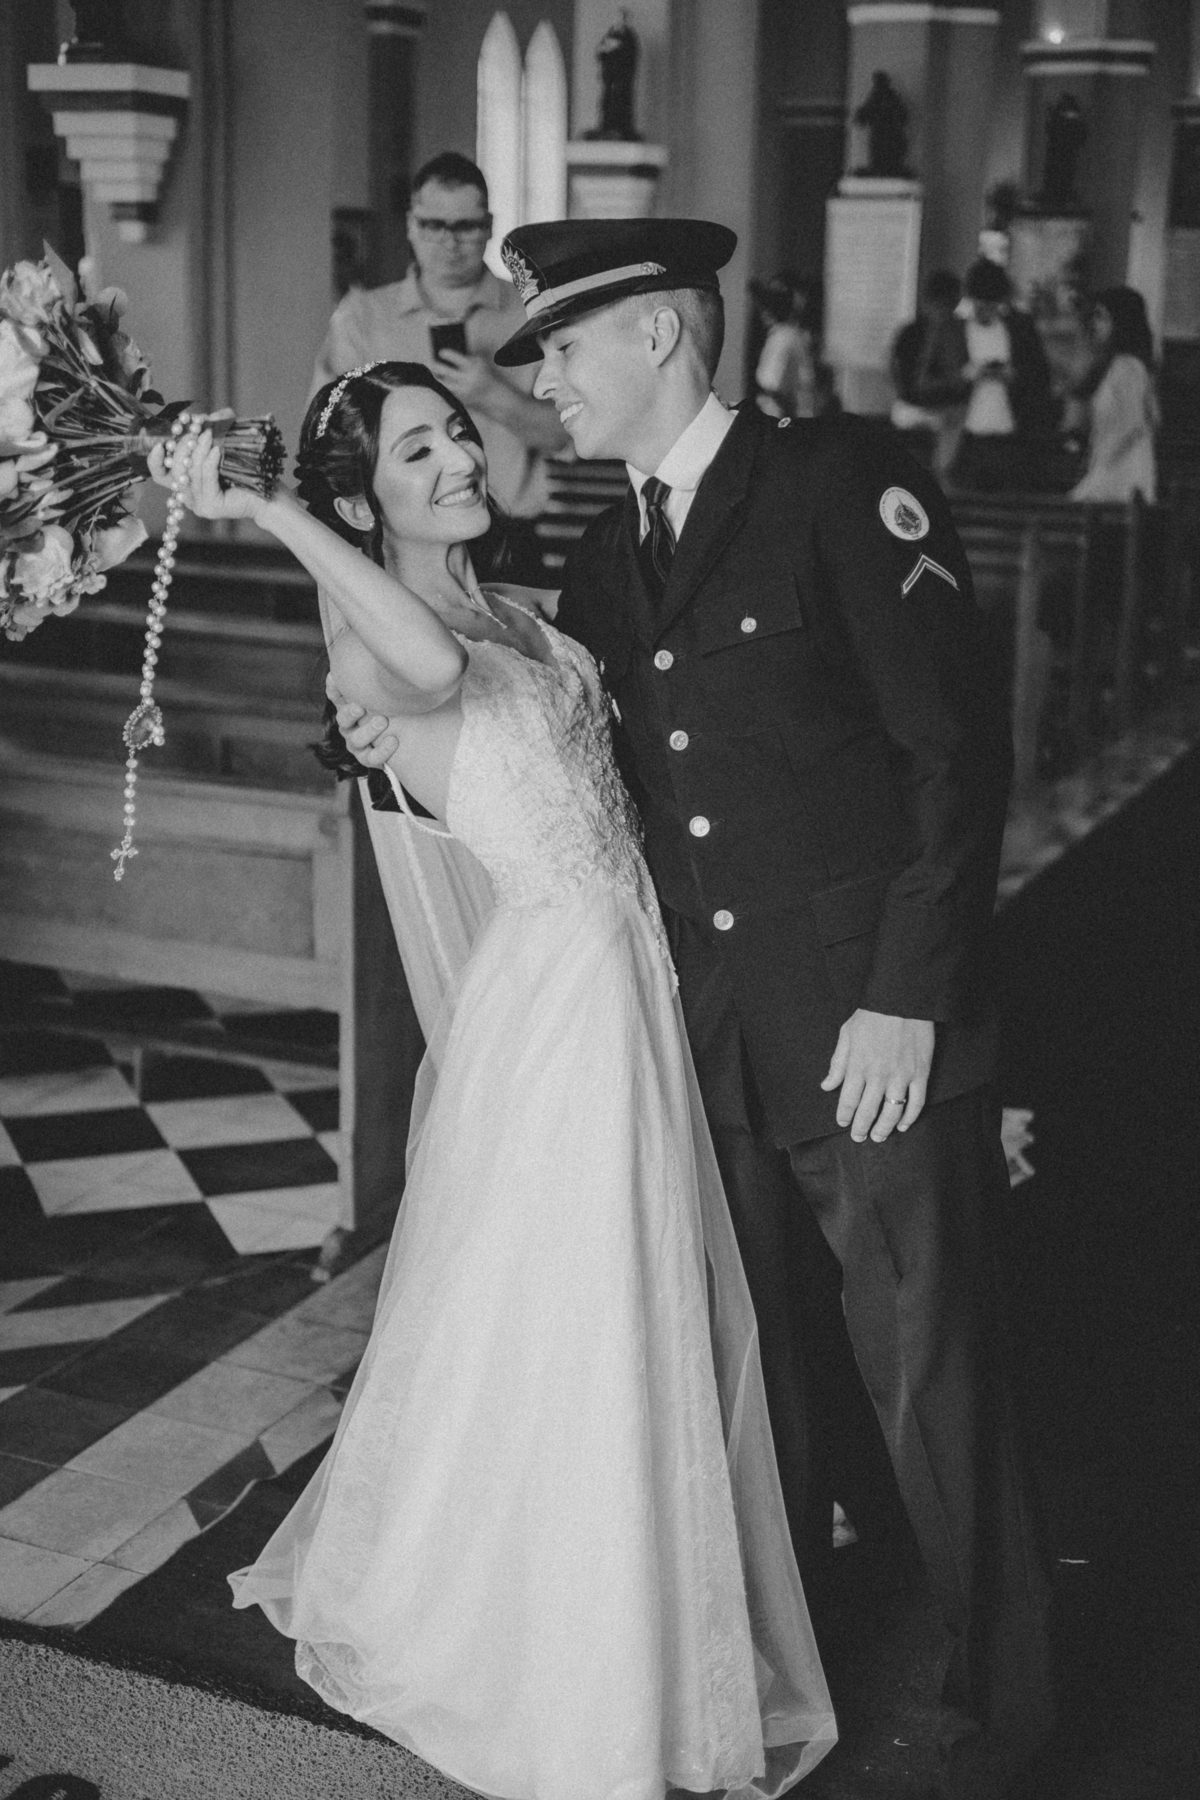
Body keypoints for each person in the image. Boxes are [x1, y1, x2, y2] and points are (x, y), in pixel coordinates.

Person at [149, 364, 835, 1800]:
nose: (461, 457)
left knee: (633, 1310)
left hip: (630, 968)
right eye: (417, 452)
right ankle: (579, 1675)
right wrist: (275, 512)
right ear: (361, 502)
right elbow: (431, 672)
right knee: (590, 1315)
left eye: (456, 431)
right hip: (563, 1006)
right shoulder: (369, 651)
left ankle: (645, 1622)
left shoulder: (517, 608)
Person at [469, 216, 1053, 1800]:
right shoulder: (605, 557)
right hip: (715, 1035)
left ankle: (1003, 1717)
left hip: (869, 1031)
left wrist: (909, 1001)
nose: (546, 382)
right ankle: (793, 1672)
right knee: (769, 1376)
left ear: (659, 332)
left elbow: (952, 757)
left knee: (929, 1374)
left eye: (564, 347)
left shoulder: (838, 486)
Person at [311, 152, 567, 574]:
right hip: (395, 543)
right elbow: (326, 441)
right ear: (411, 225)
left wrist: (493, 395)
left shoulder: (533, 312)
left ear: (489, 226)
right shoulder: (363, 317)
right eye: (434, 225)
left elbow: (564, 434)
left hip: (507, 538)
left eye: (465, 226)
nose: (450, 243)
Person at [947, 258, 1056, 493]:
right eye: (979, 304)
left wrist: (1014, 375)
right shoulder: (955, 330)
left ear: (1002, 302)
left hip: (1013, 439)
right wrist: (966, 376)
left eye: (991, 306)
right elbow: (940, 379)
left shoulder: (1020, 328)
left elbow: (1041, 377)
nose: (985, 311)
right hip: (967, 439)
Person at [1070, 285, 1158, 503]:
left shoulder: (1128, 367)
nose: (1095, 324)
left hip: (1122, 471)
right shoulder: (1115, 365)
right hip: (1112, 465)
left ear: (1121, 323)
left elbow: (1134, 424)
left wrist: (1099, 466)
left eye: (1102, 317)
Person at [889, 269, 971, 477]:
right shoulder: (950, 331)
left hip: (912, 408)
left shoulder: (910, 331)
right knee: (958, 418)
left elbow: (896, 372)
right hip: (924, 409)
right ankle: (942, 476)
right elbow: (914, 381)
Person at [750, 275, 820, 420]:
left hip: (778, 407)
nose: (763, 313)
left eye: (768, 307)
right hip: (774, 404)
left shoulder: (786, 337)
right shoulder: (783, 334)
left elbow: (775, 383)